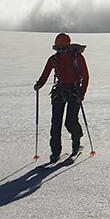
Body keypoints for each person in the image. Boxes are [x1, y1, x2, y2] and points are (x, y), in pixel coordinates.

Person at [34, 32, 89, 163]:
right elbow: (45, 74)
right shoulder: (54, 59)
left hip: (75, 91)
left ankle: (76, 143)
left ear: (68, 47)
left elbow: (85, 77)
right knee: (56, 123)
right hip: (60, 90)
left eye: (63, 49)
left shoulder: (78, 58)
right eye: (58, 49)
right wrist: (39, 85)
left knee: (70, 121)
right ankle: (55, 153)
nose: (61, 52)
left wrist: (82, 94)